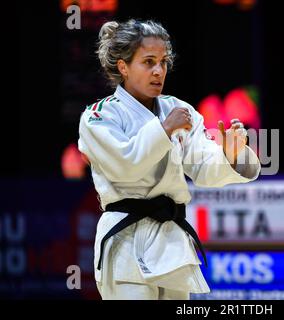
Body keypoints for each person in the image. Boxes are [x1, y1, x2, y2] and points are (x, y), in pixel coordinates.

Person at [78, 19, 261, 300]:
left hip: (172, 244)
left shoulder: (178, 110)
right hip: (126, 242)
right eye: (148, 62)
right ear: (123, 66)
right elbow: (126, 167)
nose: (158, 71)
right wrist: (164, 129)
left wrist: (230, 155)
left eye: (163, 62)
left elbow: (203, 169)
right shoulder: (99, 116)